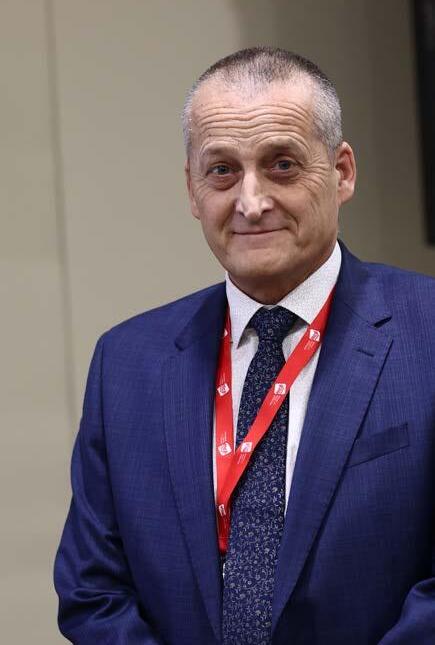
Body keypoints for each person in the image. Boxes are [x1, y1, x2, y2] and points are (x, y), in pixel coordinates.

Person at [54, 47, 435, 644]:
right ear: (191, 188)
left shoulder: (426, 332)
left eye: (282, 165)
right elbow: (93, 592)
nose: (251, 202)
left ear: (342, 172)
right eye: (222, 171)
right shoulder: (126, 364)